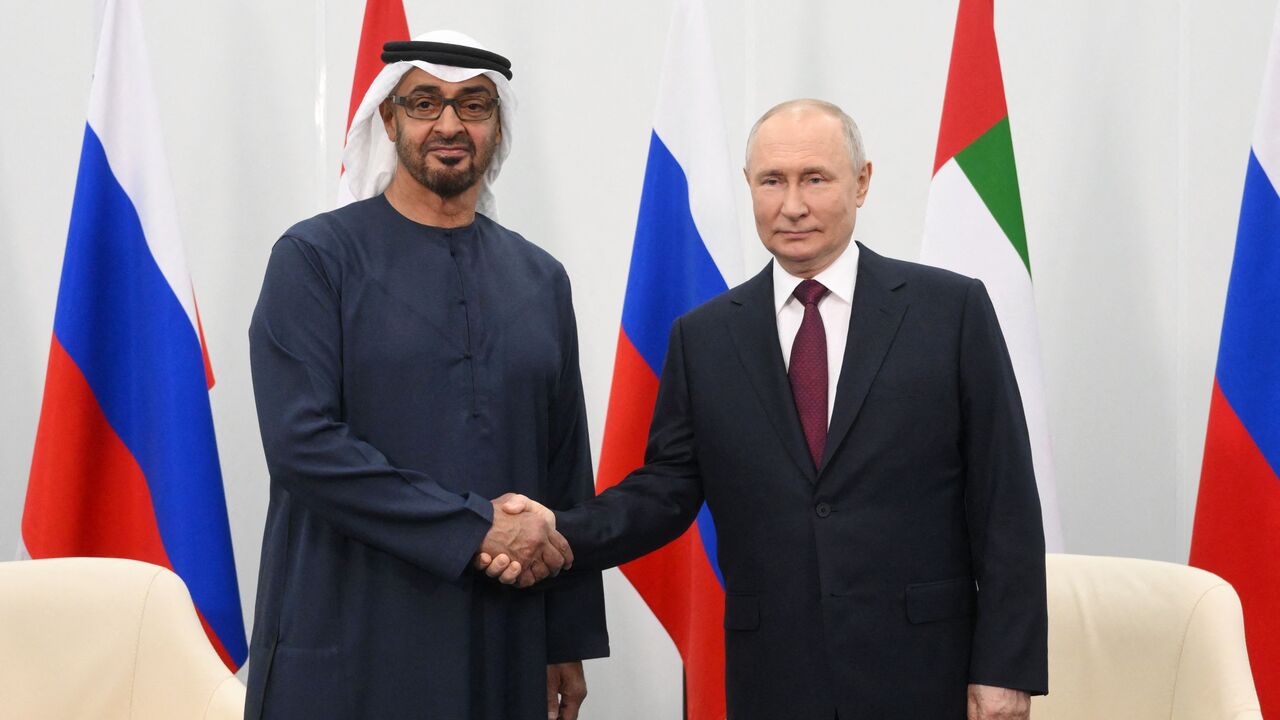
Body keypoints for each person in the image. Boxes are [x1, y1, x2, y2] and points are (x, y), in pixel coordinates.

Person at [483, 99, 1048, 719]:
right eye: (773, 181)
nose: (793, 205)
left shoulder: (951, 311)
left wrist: (1004, 669)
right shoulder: (703, 339)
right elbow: (664, 493)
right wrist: (557, 530)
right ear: (749, 186)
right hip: (775, 677)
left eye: (816, 178)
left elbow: (1005, 503)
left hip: (925, 673)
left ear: (861, 182)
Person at [246, 30, 607, 720]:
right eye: (424, 103)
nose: (449, 124)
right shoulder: (315, 258)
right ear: (389, 119)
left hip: (501, 634)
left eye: (473, 105)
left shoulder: (539, 278)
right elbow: (303, 445)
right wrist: (476, 528)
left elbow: (564, 468)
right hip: (349, 629)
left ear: (497, 125)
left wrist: (567, 634)